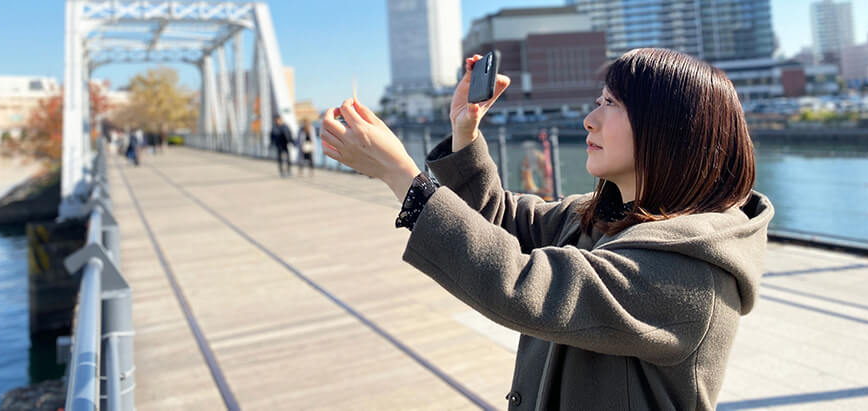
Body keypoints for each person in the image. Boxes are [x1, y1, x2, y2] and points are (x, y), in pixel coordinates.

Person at [321, 48, 773, 410]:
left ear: (670, 129)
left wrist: (403, 178)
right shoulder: (605, 215)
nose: (590, 119)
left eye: (611, 104)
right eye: (598, 101)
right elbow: (501, 219)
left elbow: (523, 286)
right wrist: (465, 132)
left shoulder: (691, 271)